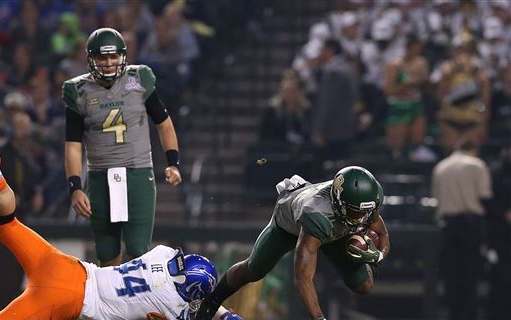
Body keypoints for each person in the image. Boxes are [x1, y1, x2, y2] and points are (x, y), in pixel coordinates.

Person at [0, 143, 240, 320]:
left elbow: (196, 294)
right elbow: (204, 308)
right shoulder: (173, 306)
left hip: (68, 267)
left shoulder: (164, 254)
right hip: (67, 299)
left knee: (6, 224)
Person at [195, 166, 391, 320]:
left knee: (363, 286)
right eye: (356, 213)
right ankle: (212, 301)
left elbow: (383, 235)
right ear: (340, 203)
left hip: (334, 229)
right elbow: (303, 280)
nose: (361, 219)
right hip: (288, 227)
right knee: (254, 269)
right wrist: (319, 318)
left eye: (365, 212)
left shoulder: (365, 202)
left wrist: (379, 255)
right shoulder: (316, 215)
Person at [63, 27, 182, 267]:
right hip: (99, 176)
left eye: (113, 56)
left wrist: (173, 163)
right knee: (106, 253)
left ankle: (137, 305)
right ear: (91, 58)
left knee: (139, 251)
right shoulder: (78, 90)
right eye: (102, 57)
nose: (108, 63)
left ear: (123, 56)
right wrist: (75, 186)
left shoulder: (139, 80)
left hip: (137, 171)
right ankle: (113, 305)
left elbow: (164, 123)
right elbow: (73, 145)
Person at [432, 139, 492, 320]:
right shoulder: (477, 164)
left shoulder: (440, 167)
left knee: (451, 274)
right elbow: (485, 196)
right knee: (470, 274)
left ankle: (453, 314)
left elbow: (436, 198)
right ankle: (470, 315)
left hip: (448, 224)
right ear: (474, 148)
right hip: (470, 224)